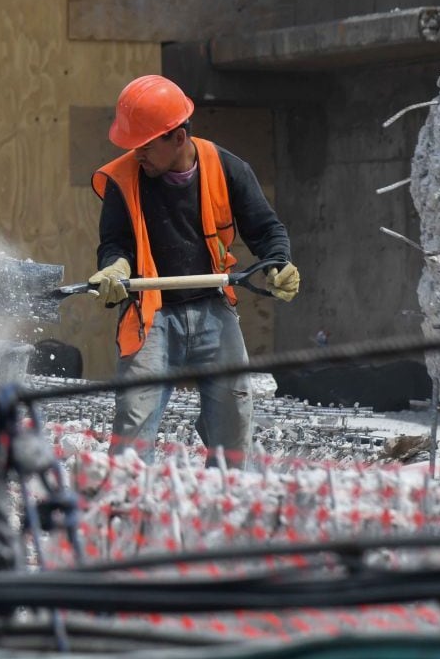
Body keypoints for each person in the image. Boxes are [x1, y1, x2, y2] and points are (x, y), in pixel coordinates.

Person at [88, 74, 301, 464]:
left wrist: (277, 263)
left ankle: (229, 502)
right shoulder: (123, 179)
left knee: (235, 417)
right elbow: (114, 242)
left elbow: (267, 229)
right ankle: (129, 507)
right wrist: (115, 267)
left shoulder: (226, 167)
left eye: (146, 145)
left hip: (212, 307)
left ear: (178, 138)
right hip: (151, 313)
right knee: (134, 422)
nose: (138, 154)